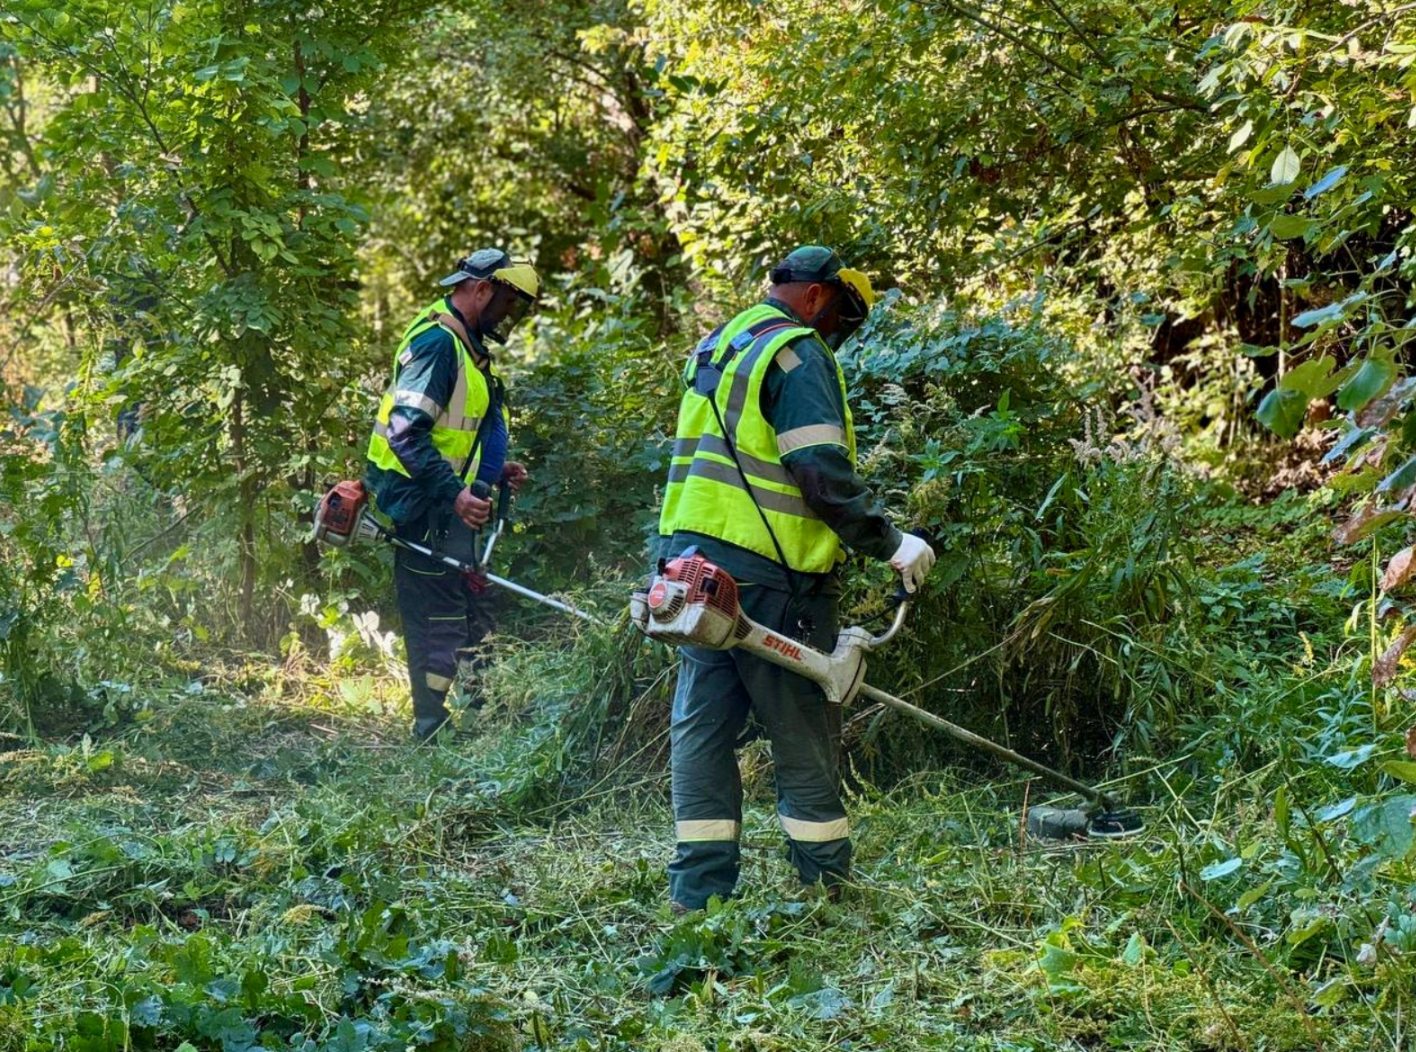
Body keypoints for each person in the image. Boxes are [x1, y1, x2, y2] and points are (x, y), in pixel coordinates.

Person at [653, 245, 936, 911]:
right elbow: (818, 470)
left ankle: (700, 895)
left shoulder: (723, 345)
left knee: (702, 726)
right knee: (802, 723)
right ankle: (824, 884)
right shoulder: (797, 353)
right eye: (840, 316)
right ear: (818, 296)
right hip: (774, 575)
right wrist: (891, 543)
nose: (835, 333)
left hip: (696, 564)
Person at [365, 249, 539, 740]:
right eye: (506, 304)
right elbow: (405, 433)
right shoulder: (439, 345)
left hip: (444, 501)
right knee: (436, 616)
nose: (508, 317)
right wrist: (454, 493)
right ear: (481, 290)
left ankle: (479, 714)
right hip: (423, 504)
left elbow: (451, 432)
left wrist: (491, 470)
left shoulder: (463, 346)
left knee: (470, 608)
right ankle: (431, 726)